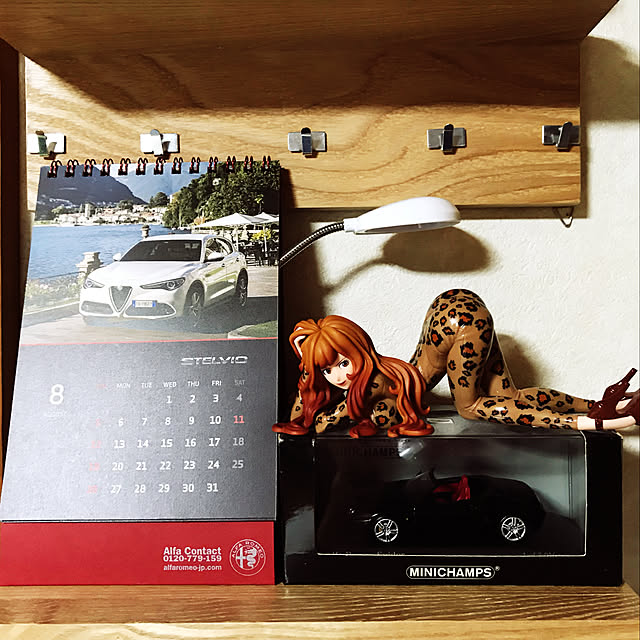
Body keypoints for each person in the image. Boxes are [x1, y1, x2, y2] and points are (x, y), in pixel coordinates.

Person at [273, 289, 639, 437]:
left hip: (460, 323)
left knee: (470, 407)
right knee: (511, 397)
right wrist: (308, 382)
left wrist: (303, 409)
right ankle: (600, 404)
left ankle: (588, 421)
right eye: (327, 370)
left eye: (342, 363)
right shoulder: (375, 374)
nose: (338, 376)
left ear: (357, 350)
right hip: (453, 311)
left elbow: (326, 422)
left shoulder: (369, 383)